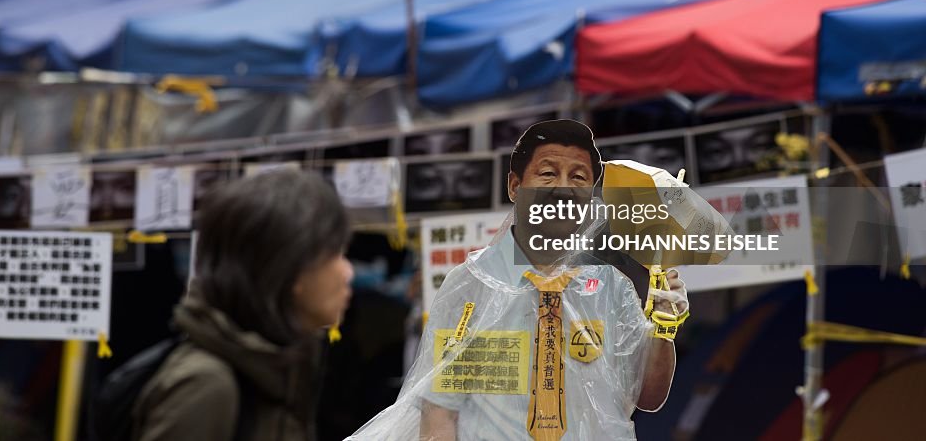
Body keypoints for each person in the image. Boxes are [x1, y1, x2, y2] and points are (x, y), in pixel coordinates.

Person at [349, 120, 689, 440]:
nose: (563, 190)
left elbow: (648, 397)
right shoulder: (471, 283)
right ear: (515, 186)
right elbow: (440, 411)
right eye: (547, 173)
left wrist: (664, 328)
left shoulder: (611, 288)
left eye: (579, 177)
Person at [131, 169, 354, 441]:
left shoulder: (279, 366)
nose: (347, 271)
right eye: (335, 254)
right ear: (290, 266)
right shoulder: (207, 385)